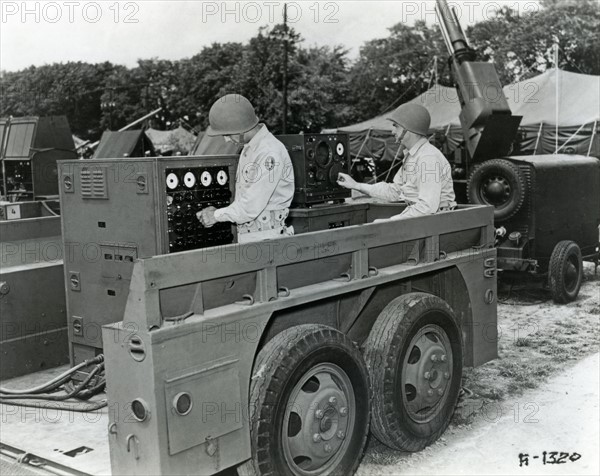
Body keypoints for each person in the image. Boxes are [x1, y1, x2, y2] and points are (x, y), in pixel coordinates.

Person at [197, 94, 294, 243]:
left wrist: (216, 215)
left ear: (242, 129)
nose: (226, 139)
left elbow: (250, 207)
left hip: (267, 241)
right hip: (252, 239)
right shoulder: (250, 149)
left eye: (228, 134)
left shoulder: (269, 152)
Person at [337, 103, 456, 219]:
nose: (393, 131)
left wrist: (391, 222)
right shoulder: (414, 156)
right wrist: (356, 185)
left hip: (434, 223)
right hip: (422, 221)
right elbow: (394, 191)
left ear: (407, 129)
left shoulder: (427, 158)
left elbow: (427, 207)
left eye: (396, 126)